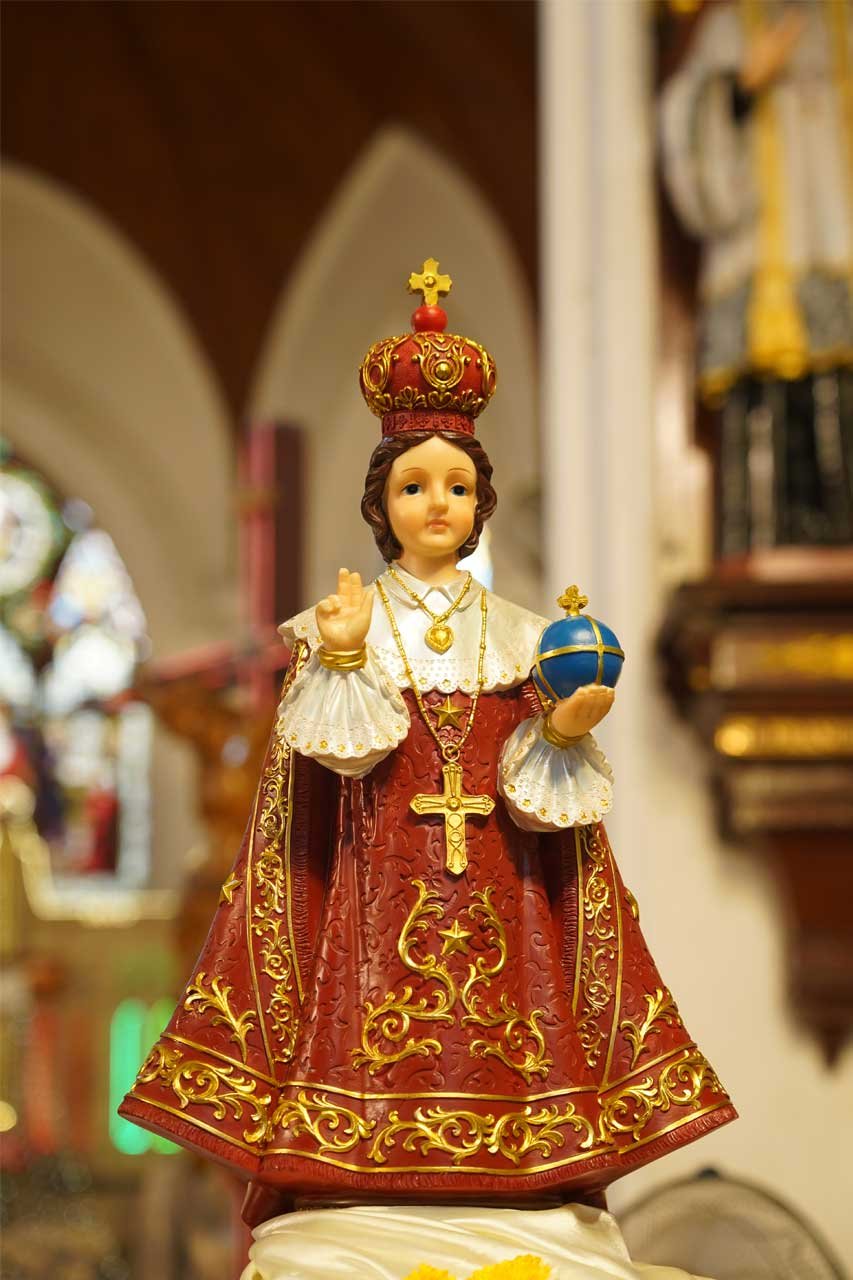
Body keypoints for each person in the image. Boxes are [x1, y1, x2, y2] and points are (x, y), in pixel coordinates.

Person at [120, 264, 735, 1231]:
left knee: (518, 1032)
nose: (436, 504)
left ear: (480, 501)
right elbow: (340, 762)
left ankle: (525, 1161)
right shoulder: (341, 626)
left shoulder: (526, 639)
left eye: (457, 486)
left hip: (503, 901)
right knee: (364, 1043)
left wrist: (560, 731)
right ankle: (356, 1165)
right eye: (414, 486)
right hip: (370, 904)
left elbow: (542, 810)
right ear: (382, 504)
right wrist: (346, 654)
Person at [659, 0, 853, 558]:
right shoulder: (729, 26)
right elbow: (685, 118)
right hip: (759, 260)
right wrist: (738, 88)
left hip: (836, 244)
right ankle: (763, 553)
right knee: (762, 413)